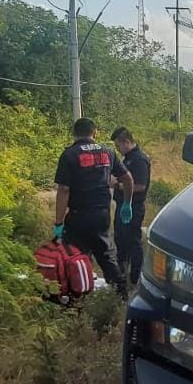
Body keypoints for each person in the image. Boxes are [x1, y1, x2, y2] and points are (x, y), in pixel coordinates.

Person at [54, 117, 134, 296]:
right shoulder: (108, 152)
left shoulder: (69, 155)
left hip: (78, 216)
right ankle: (121, 297)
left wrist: (58, 223)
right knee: (107, 256)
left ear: (74, 134)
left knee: (75, 257)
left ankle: (78, 299)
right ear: (95, 132)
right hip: (101, 216)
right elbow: (128, 178)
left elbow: (64, 190)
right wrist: (126, 204)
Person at [110, 126, 151, 286]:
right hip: (124, 205)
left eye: (118, 146)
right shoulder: (128, 158)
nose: (118, 149)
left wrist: (118, 185)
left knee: (133, 241)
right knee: (122, 240)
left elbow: (140, 186)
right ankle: (122, 272)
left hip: (133, 207)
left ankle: (135, 276)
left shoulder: (139, 159)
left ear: (126, 142)